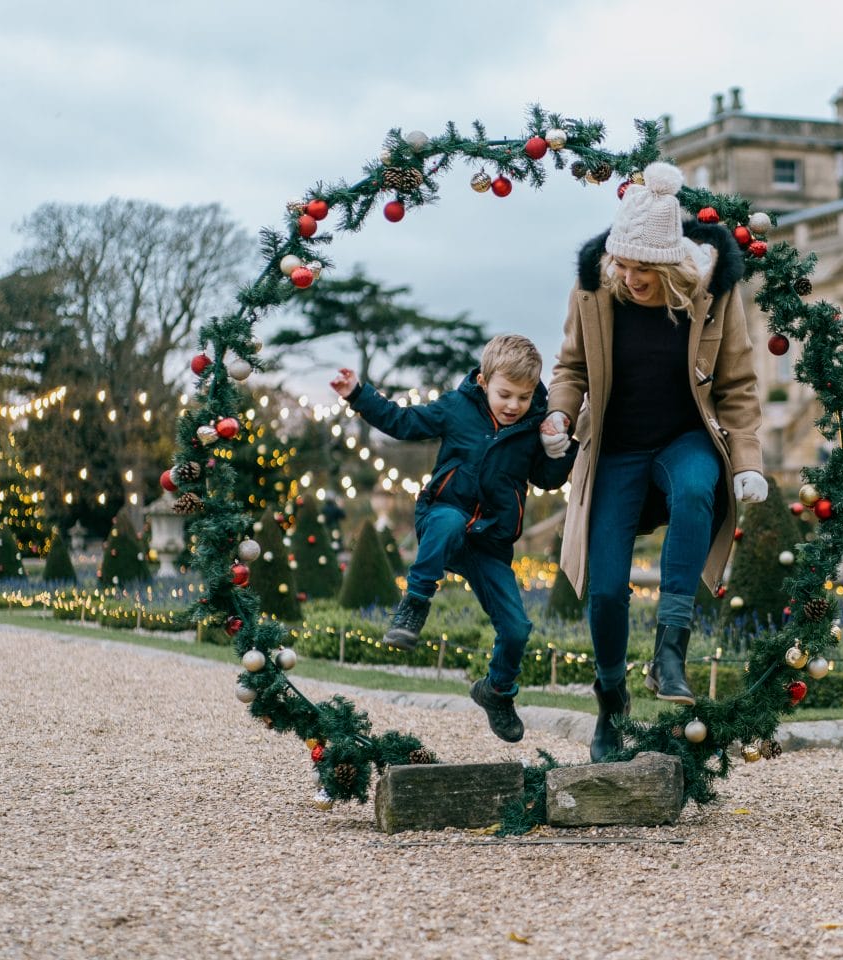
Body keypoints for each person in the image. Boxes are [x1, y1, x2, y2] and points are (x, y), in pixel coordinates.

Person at [540, 160, 767, 762]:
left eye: (645, 269)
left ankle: (671, 650)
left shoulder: (713, 294)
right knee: (607, 589)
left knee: (697, 486)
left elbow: (738, 383)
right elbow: (571, 368)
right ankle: (611, 699)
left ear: (670, 264)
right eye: (625, 266)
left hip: (684, 437)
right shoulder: (593, 289)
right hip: (616, 446)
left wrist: (746, 459)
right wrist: (561, 414)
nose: (632, 279)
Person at [329, 334, 577, 743]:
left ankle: (497, 691)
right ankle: (415, 603)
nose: (513, 405)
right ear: (483, 381)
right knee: (446, 523)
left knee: (516, 628)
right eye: (505, 394)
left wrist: (561, 448)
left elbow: (547, 480)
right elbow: (402, 422)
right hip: (443, 514)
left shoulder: (533, 426)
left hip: (490, 542)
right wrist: (358, 393)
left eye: (523, 396)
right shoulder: (456, 408)